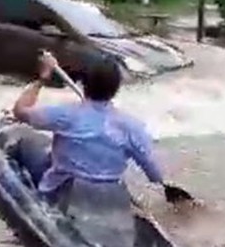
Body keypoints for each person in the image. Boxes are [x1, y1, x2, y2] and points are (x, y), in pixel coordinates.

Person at [12, 52, 171, 207]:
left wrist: (43, 78)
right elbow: (153, 172)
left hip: (62, 194)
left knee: (24, 143)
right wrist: (161, 183)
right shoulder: (132, 127)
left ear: (83, 83)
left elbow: (20, 111)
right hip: (107, 195)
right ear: (116, 88)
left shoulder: (65, 115)